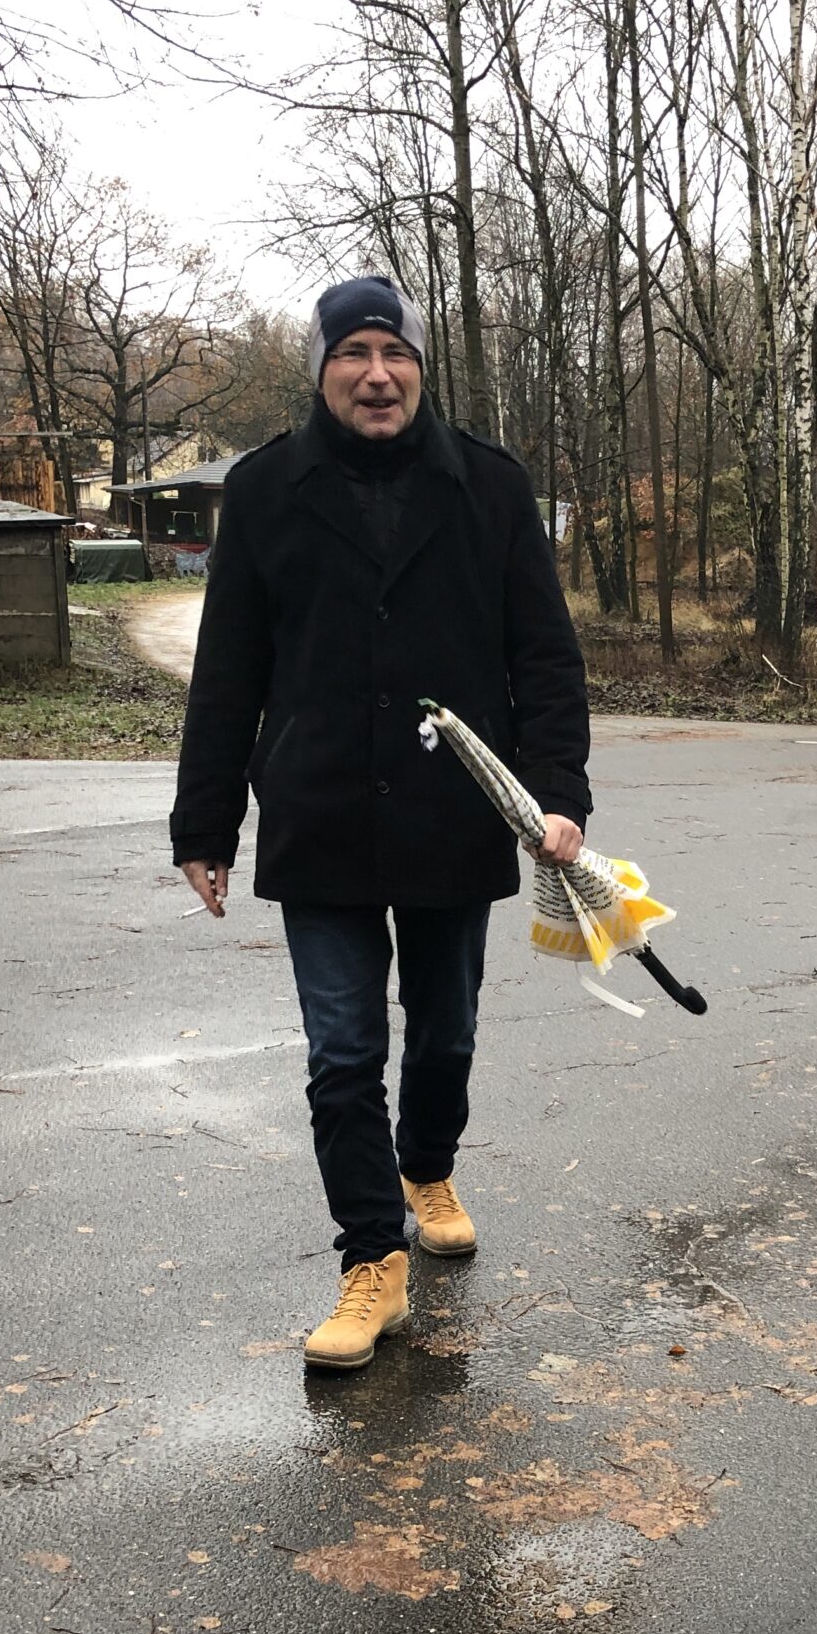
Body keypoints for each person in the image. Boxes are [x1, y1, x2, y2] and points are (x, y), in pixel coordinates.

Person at [169, 275, 591, 1366]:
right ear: (322, 370)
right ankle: (372, 1259)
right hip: (318, 812)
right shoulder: (265, 490)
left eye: (394, 353)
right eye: (352, 354)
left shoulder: (489, 485)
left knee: (445, 1032)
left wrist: (557, 791)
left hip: (455, 813)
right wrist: (205, 823)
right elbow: (228, 670)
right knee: (344, 1051)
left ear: (419, 367)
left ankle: (427, 1165)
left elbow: (544, 655)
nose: (375, 374)